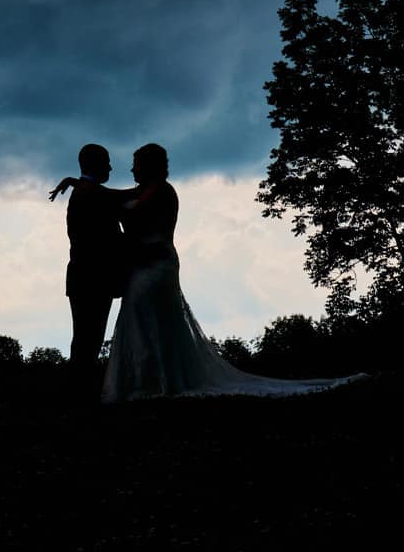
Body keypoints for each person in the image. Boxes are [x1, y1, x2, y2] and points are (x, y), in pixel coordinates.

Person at [50, 143, 364, 403]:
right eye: (115, 163)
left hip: (155, 264)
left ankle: (151, 383)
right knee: (124, 326)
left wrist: (85, 185)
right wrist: (84, 185)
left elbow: (120, 205)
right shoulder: (130, 191)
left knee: (141, 321)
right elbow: (117, 200)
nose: (128, 169)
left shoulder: (160, 192)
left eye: (135, 164)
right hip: (122, 271)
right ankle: (128, 385)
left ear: (148, 166)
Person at [53, 143, 128, 405]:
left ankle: (79, 395)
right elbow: (122, 197)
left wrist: (74, 181)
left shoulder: (87, 192)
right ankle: (81, 397)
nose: (110, 167)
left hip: (83, 279)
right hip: (92, 279)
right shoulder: (93, 195)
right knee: (88, 341)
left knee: (85, 341)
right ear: (94, 163)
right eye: (106, 161)